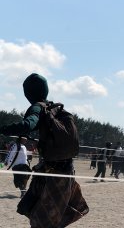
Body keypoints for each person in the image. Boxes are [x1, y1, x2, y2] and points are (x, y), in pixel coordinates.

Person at [0, 73, 88, 227]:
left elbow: (27, 125)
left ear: (28, 93)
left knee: (41, 220)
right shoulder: (56, 109)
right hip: (67, 171)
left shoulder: (38, 107)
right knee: (50, 217)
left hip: (51, 174)